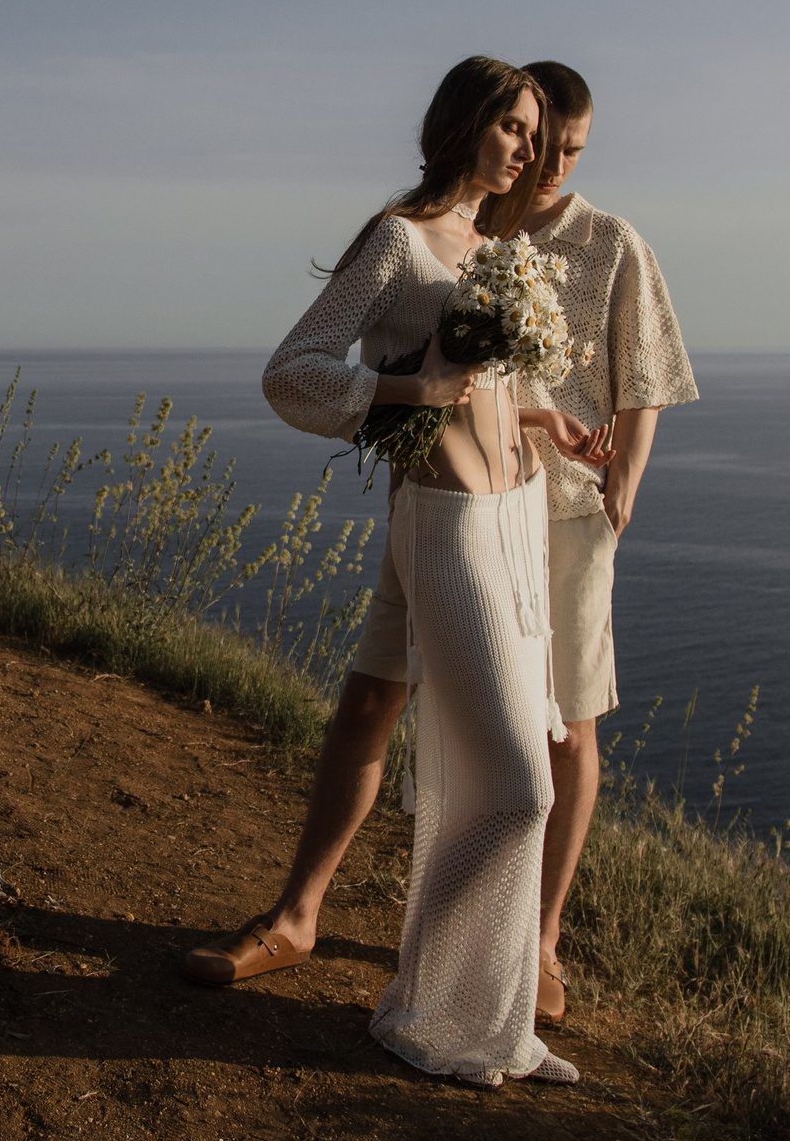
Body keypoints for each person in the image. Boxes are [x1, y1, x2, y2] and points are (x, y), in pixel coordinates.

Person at [182, 57, 696, 1035]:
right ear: (466, 124)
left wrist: (551, 428)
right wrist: (399, 396)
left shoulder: (488, 243)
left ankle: (343, 931)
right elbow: (294, 371)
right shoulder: (401, 241)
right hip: (445, 518)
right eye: (513, 129)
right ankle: (387, 959)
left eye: (537, 136)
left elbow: (488, 381)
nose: (528, 151)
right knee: (489, 770)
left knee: (380, 698)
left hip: (508, 511)